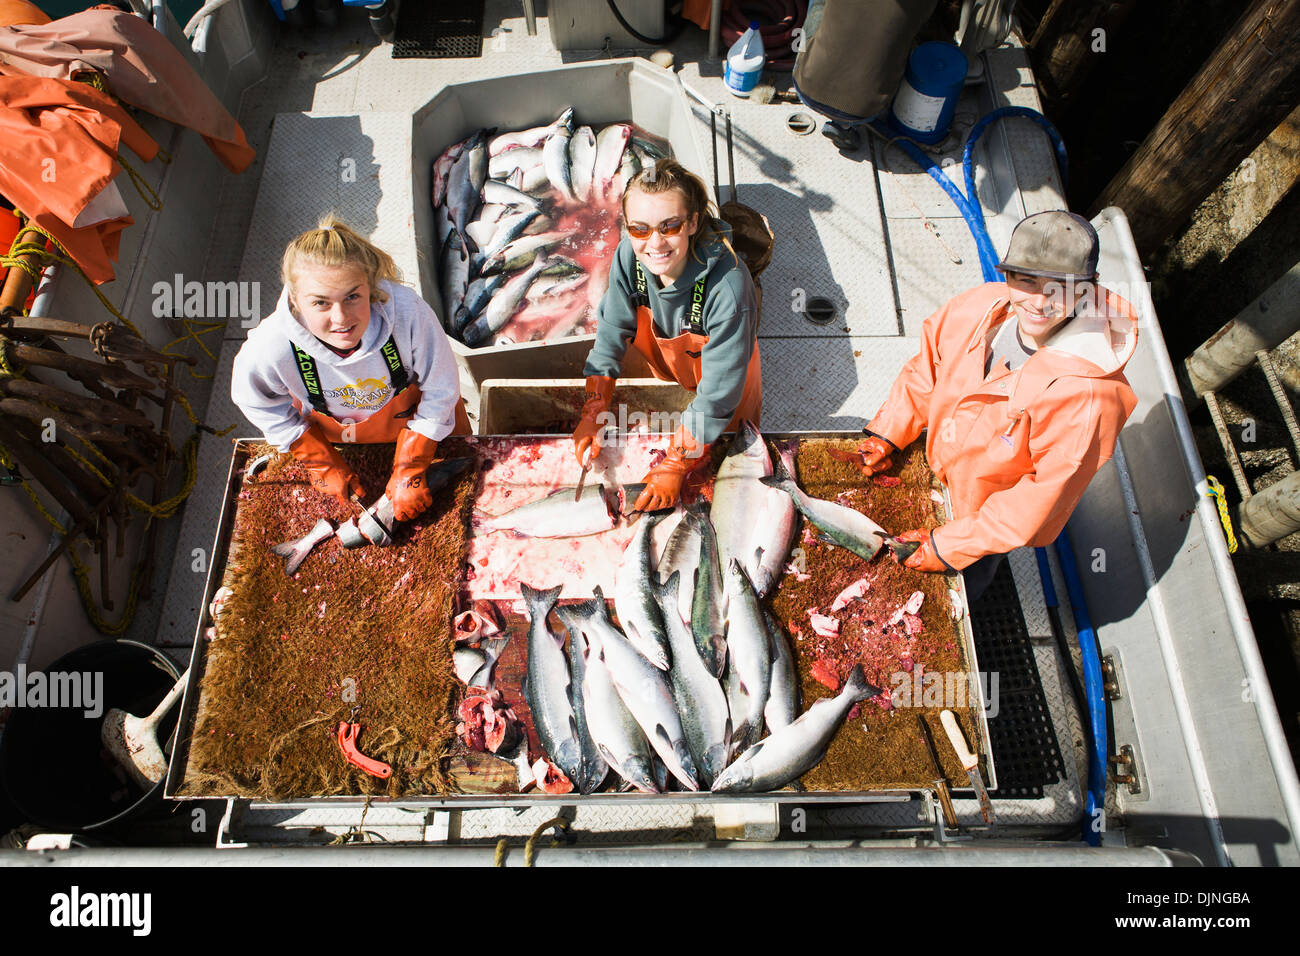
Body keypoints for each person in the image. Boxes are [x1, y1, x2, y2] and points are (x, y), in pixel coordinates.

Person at [858, 211, 1139, 598]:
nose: (1040, 301)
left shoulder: (1090, 397)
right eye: (1026, 280)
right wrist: (887, 432)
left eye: (1060, 286)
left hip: (983, 521)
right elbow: (927, 370)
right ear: (1006, 277)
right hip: (939, 471)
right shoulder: (979, 308)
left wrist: (948, 547)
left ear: (1088, 289)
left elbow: (1041, 497)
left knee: (965, 583)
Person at [232, 217, 470, 522]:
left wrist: (411, 467)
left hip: (420, 427)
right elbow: (252, 398)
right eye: (320, 303)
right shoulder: (271, 345)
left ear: (370, 289)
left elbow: (442, 388)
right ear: (295, 299)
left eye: (353, 297)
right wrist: (319, 461)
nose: (341, 318)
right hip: (334, 437)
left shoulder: (409, 314)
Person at [571, 160, 762, 514]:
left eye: (669, 226)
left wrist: (675, 463)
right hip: (671, 366)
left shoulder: (728, 290)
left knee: (727, 459)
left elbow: (718, 396)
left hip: (727, 383)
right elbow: (613, 329)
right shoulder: (630, 256)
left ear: (691, 223)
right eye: (640, 229)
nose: (654, 243)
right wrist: (595, 407)